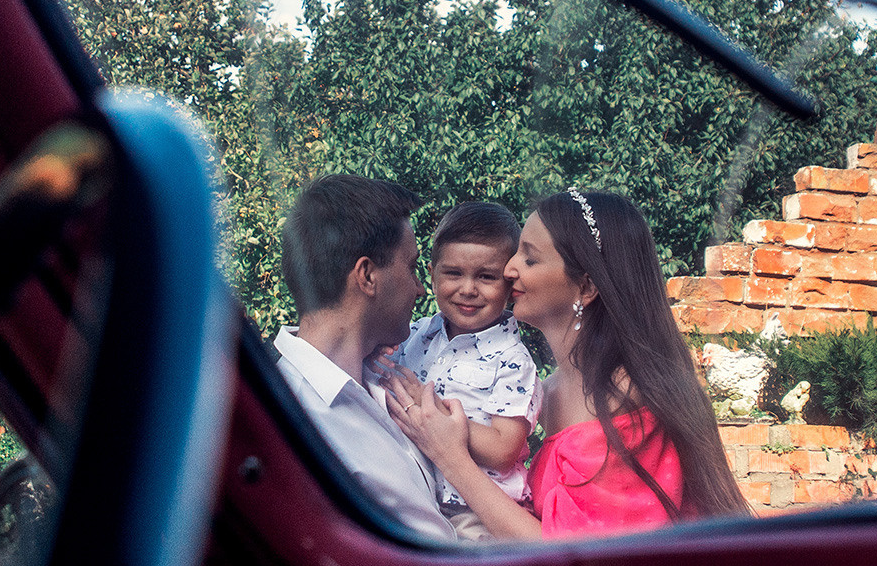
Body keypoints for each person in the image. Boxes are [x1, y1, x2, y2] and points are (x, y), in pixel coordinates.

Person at [388, 187, 747, 539]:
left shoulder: (620, 398)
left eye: (529, 259)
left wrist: (451, 457)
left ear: (586, 287)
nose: (508, 269)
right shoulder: (552, 389)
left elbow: (579, 558)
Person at [272, 175, 472, 542]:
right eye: (411, 267)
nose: (421, 289)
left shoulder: (392, 375)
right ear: (367, 276)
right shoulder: (297, 425)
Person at [386, 201, 536, 510]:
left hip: (477, 510)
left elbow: (502, 450)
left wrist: (430, 406)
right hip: (416, 497)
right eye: (454, 273)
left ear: (509, 284)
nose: (467, 289)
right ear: (432, 275)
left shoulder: (512, 360)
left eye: (486, 277)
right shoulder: (414, 335)